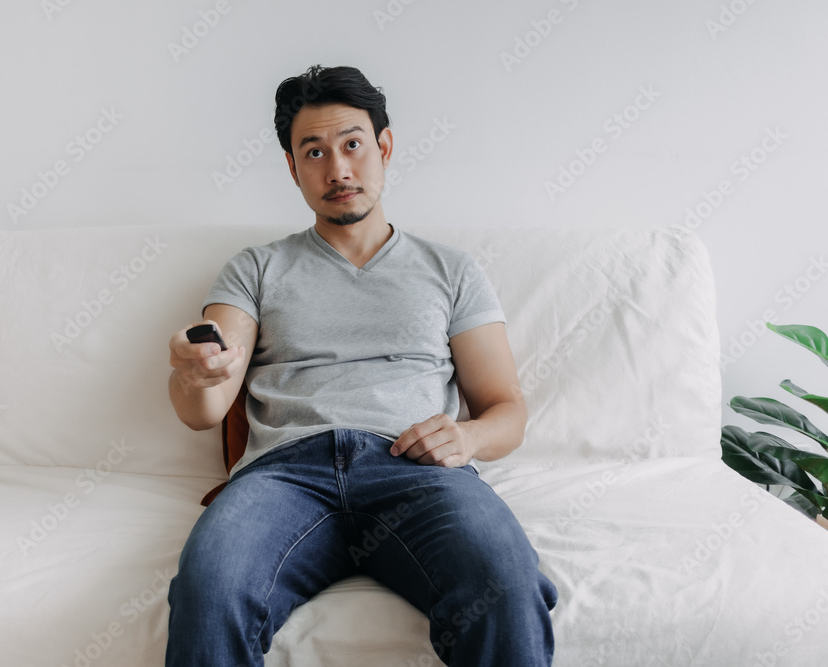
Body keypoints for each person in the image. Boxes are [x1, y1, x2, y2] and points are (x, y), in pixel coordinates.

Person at [166, 64, 557, 666]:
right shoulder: (256, 269)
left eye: (352, 145)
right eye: (314, 152)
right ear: (293, 168)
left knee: (507, 585)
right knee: (209, 589)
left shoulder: (451, 270)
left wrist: (468, 437)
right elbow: (206, 406)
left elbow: (506, 409)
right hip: (284, 476)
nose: (338, 169)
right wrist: (195, 374)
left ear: (384, 146)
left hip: (417, 470)